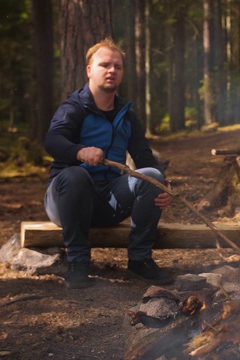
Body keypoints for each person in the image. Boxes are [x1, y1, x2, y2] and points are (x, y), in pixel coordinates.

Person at [44, 38, 173, 289]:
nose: (112, 70)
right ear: (90, 70)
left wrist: (163, 187)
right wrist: (80, 152)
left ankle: (139, 260)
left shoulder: (126, 115)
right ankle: (78, 263)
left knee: (152, 177)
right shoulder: (74, 108)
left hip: (108, 202)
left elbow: (144, 157)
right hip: (65, 200)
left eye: (117, 66)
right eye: (104, 65)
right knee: (76, 176)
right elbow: (52, 141)